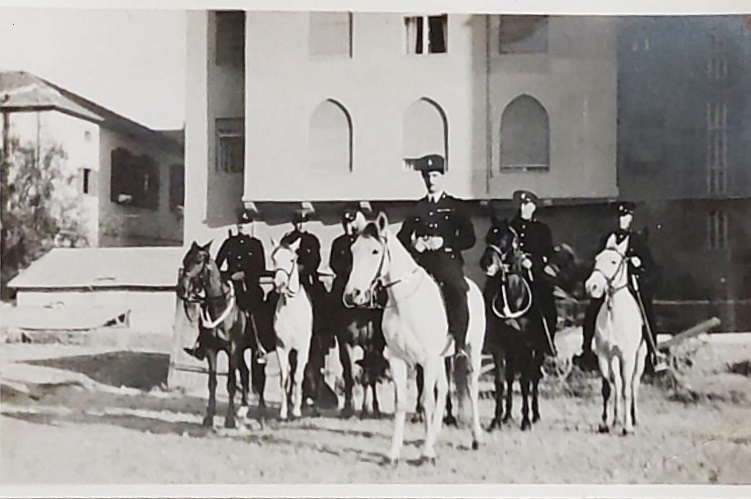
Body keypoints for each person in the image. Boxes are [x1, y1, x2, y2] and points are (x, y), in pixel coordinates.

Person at [397, 153, 476, 361]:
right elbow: (401, 239)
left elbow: (469, 239)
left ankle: (459, 344)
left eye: (434, 176)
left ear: (441, 176)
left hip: (447, 262)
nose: (430, 181)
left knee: (457, 288)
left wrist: (445, 242)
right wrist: (415, 244)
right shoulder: (418, 208)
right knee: (395, 289)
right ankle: (392, 345)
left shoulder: (456, 206)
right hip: (421, 265)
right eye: (427, 177)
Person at [575, 201, 668, 372]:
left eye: (625, 217)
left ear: (630, 219)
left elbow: (651, 267)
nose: (621, 221)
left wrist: (637, 265)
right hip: (610, 286)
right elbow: (599, 261)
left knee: (647, 312)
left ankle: (653, 355)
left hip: (632, 286)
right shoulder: (607, 239)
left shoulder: (638, 240)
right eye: (619, 217)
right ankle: (586, 351)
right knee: (592, 310)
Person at [184, 209, 267, 361]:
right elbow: (218, 265)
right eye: (240, 224)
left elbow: (260, 268)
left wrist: (245, 275)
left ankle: (258, 345)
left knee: (253, 309)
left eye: (245, 224)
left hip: (249, 287)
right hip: (230, 285)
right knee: (207, 307)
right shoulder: (229, 243)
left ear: (251, 226)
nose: (242, 227)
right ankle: (201, 345)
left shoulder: (256, 245)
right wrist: (229, 276)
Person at [509, 189, 558, 356]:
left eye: (528, 204)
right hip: (512, 272)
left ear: (534, 207)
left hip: (533, 273)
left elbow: (548, 254)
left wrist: (534, 262)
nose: (525, 208)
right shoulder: (509, 228)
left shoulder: (542, 229)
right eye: (522, 204)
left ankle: (547, 342)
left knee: (546, 300)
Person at [329, 208, 360, 306]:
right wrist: (344, 270)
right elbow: (333, 263)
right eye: (345, 223)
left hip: (357, 279)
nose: (348, 226)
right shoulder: (338, 242)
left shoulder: (360, 241)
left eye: (350, 223)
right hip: (342, 280)